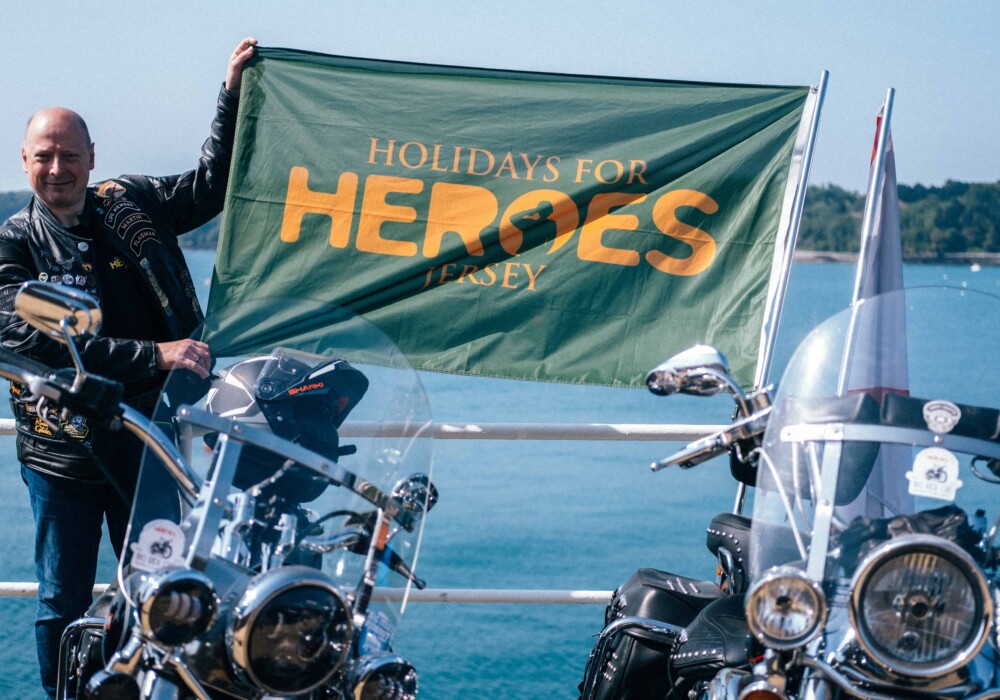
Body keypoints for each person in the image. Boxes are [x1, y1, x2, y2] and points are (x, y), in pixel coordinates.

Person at [0, 37, 257, 699]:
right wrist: (157, 354)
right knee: (61, 600)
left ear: (92, 158)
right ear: (24, 161)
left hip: (151, 445)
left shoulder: (128, 203)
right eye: (44, 155)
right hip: (65, 455)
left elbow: (211, 185)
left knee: (161, 594)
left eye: (69, 155)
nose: (58, 167)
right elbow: (32, 336)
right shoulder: (13, 243)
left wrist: (233, 93)